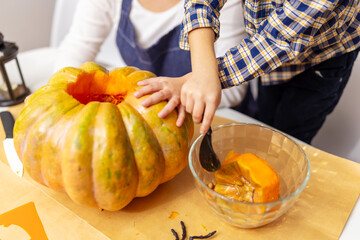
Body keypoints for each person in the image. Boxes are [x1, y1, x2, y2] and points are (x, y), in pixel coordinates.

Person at [135, 0, 360, 144]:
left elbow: (277, 39)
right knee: (266, 122)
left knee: (291, 137)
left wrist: (201, 78)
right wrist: (202, 71)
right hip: (267, 58)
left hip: (320, 61)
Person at [54, 0, 248, 109]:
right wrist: (59, 95)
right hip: (141, 108)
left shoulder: (221, 4)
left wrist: (177, 93)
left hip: (209, 115)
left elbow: (234, 90)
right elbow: (77, 48)